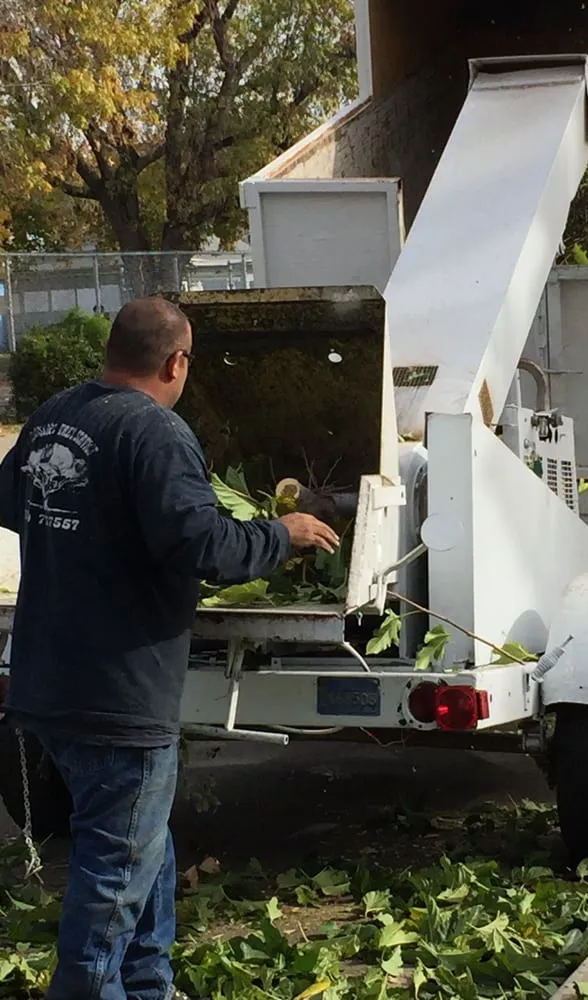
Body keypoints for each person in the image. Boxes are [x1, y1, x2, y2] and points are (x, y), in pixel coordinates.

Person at [0, 297, 339, 1000]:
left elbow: (12, 504)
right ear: (176, 361)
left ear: (110, 352)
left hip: (48, 681)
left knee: (141, 848)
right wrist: (285, 535)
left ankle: (149, 986)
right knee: (113, 880)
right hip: (119, 693)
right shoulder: (156, 433)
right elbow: (203, 545)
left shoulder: (56, 416)